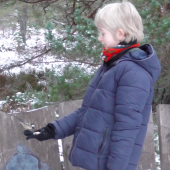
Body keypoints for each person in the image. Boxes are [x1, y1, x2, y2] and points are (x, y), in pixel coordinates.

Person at [24, 1, 161, 170]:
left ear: (120, 34)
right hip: (96, 162)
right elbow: (89, 113)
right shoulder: (112, 66)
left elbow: (127, 128)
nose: (99, 38)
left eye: (103, 33)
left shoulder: (134, 73)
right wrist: (52, 130)